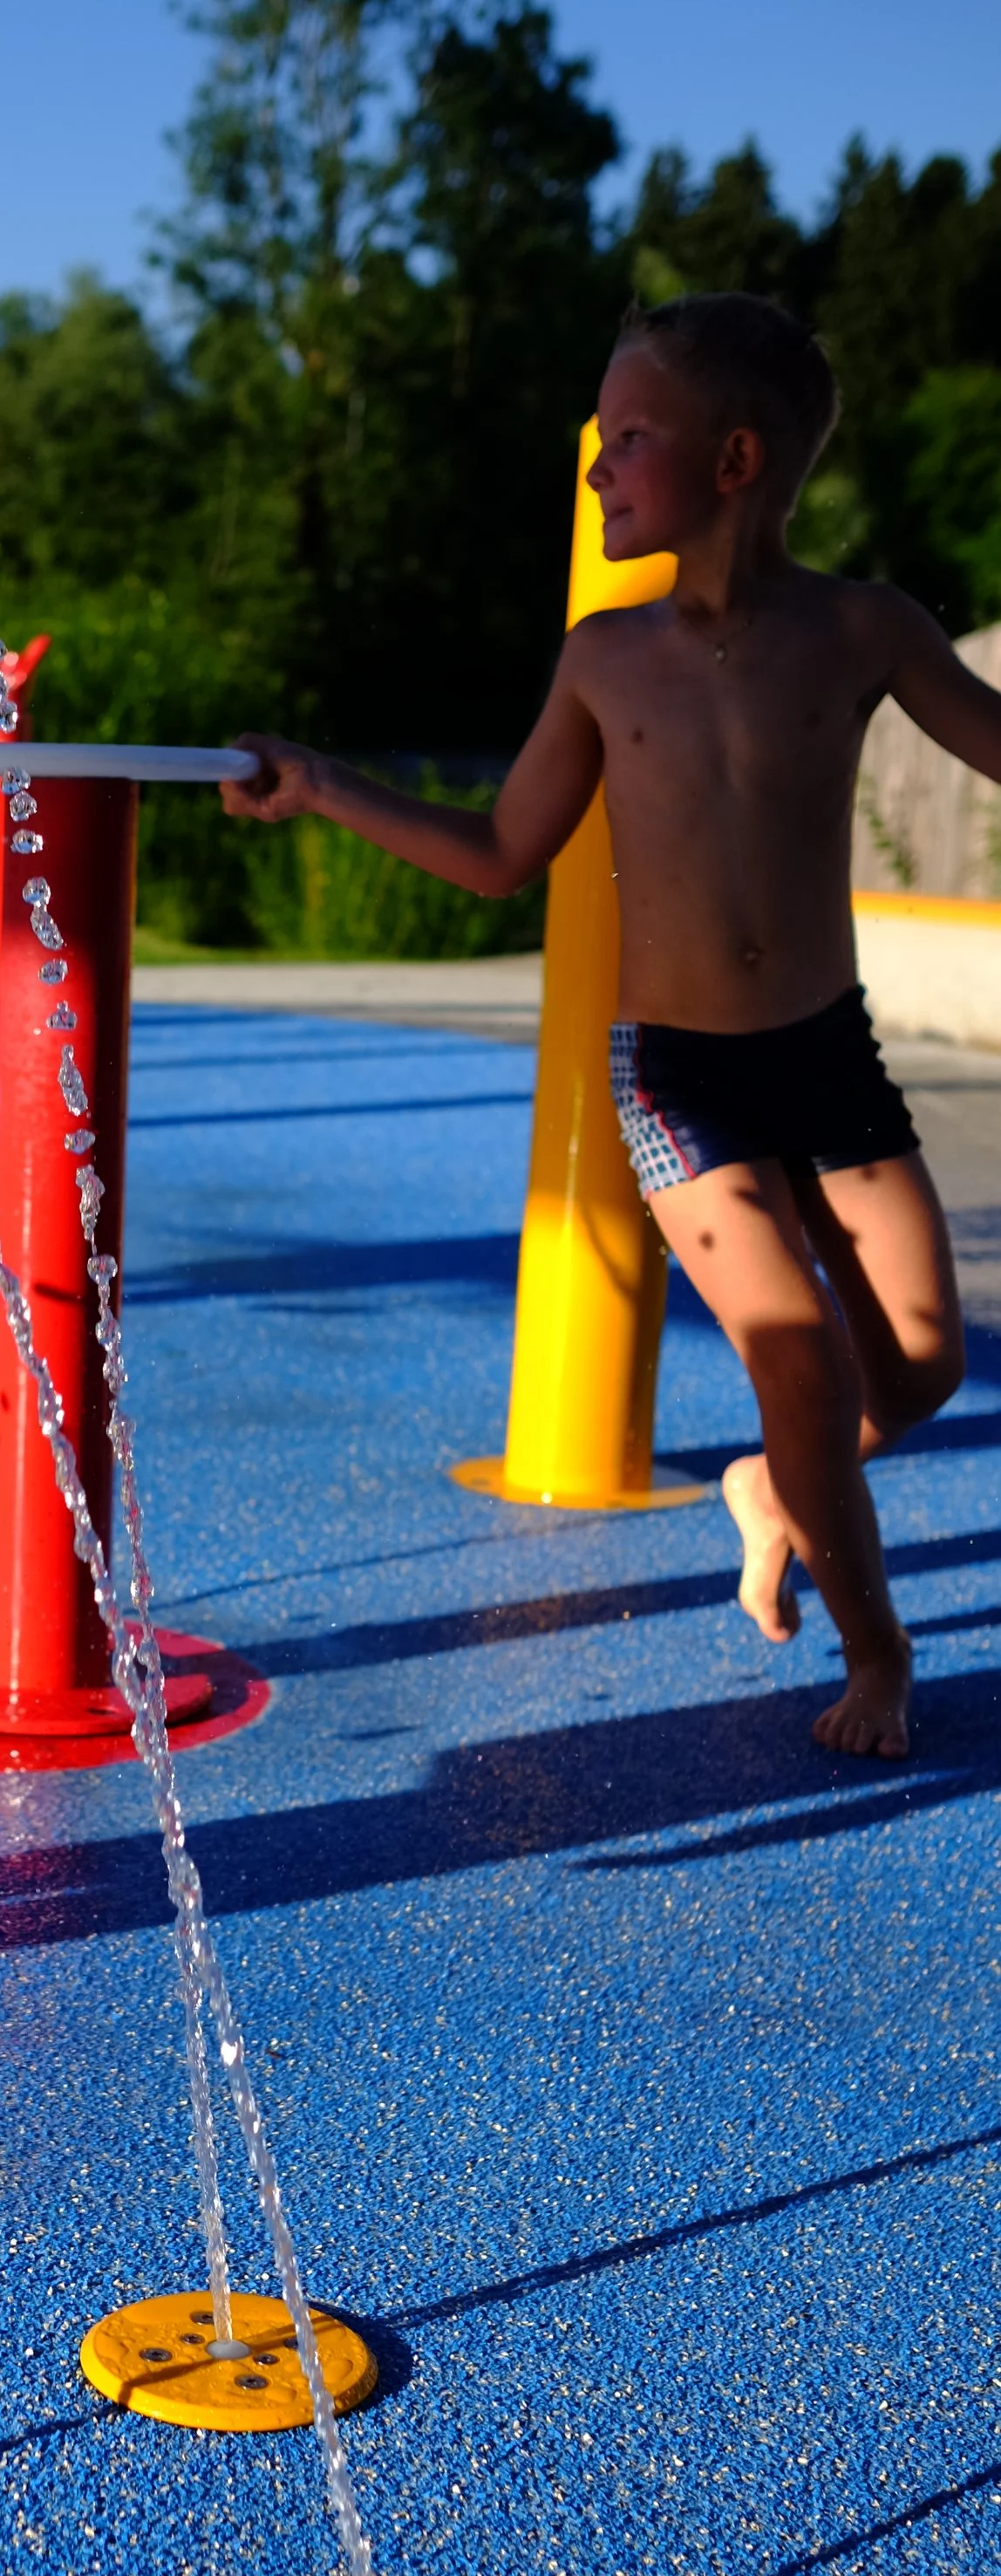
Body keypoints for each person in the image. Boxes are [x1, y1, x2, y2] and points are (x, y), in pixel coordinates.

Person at [221, 292, 1001, 1761]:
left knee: (922, 1369)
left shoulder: (863, 629)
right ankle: (879, 1651)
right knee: (803, 1361)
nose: (597, 467)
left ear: (735, 459)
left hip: (825, 1054)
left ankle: (778, 1488)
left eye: (627, 437)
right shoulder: (603, 656)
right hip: (678, 1074)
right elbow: (505, 851)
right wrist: (323, 782)